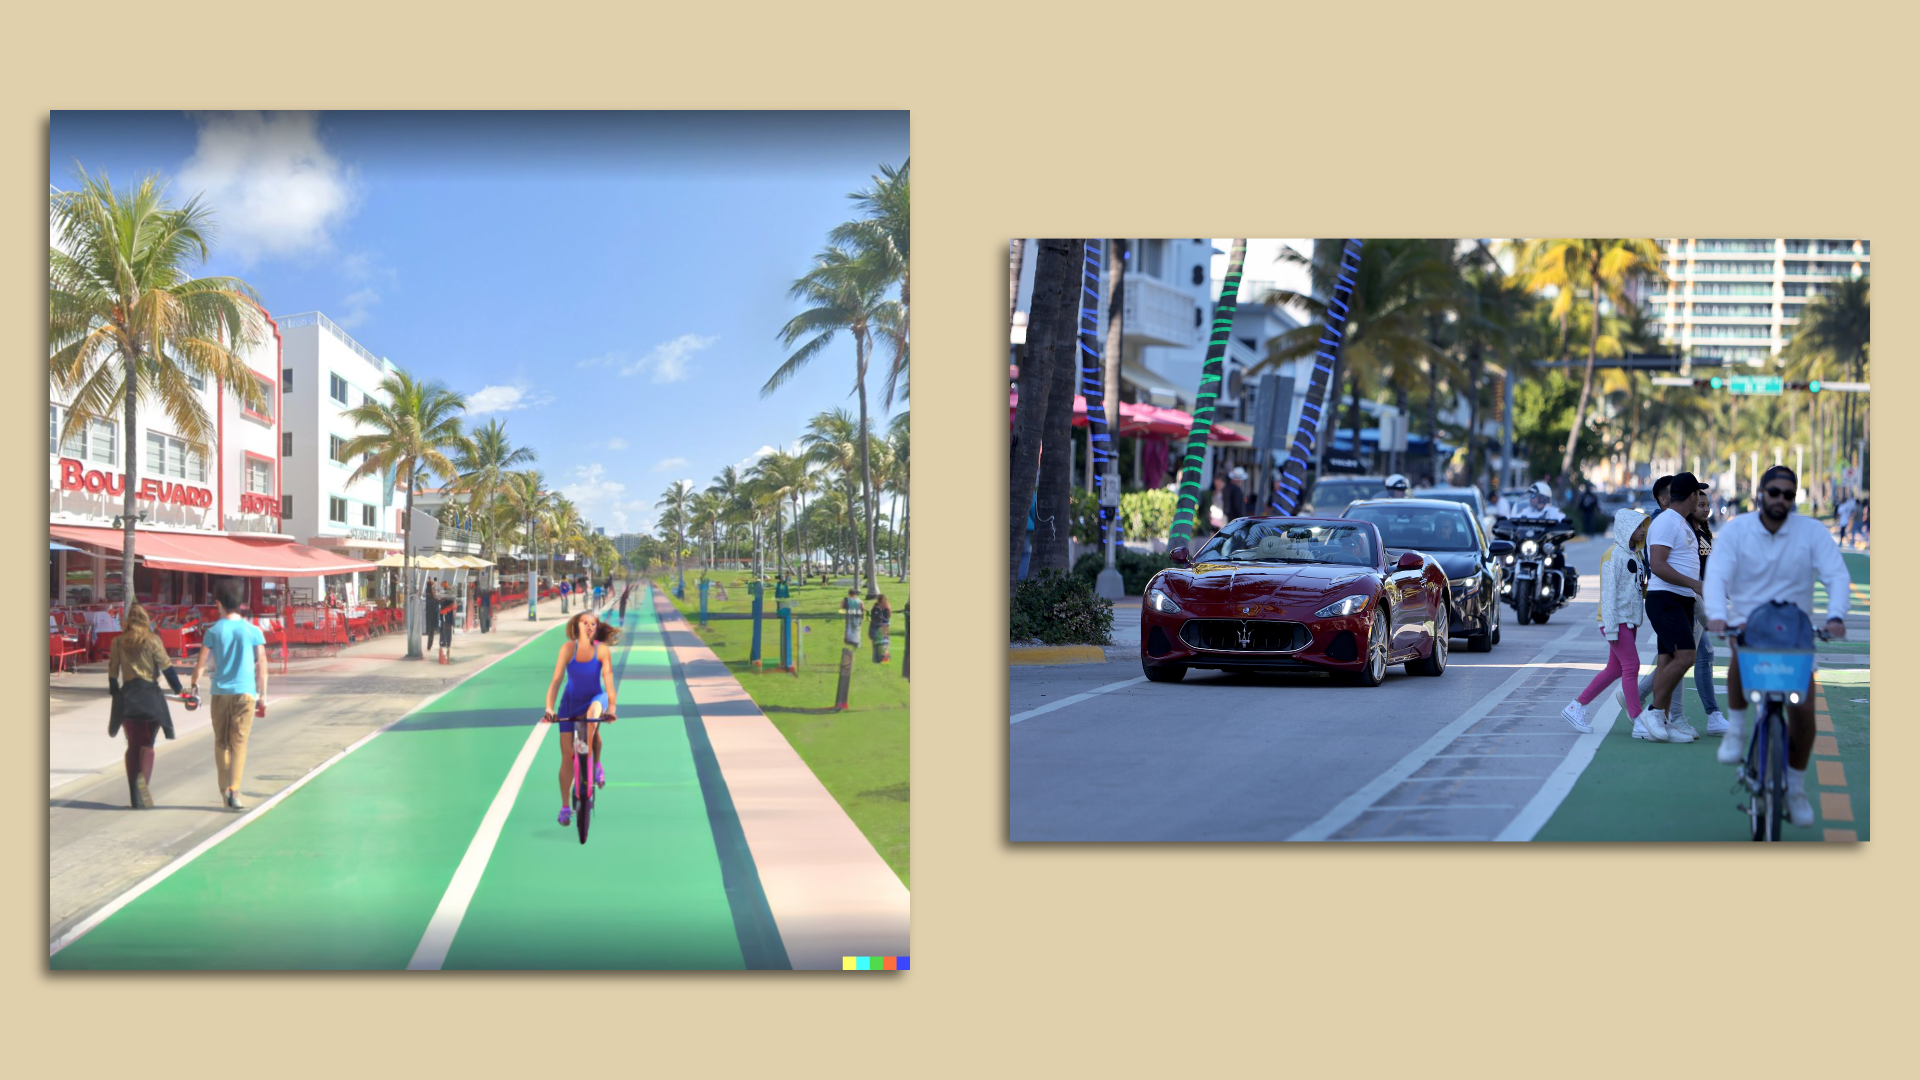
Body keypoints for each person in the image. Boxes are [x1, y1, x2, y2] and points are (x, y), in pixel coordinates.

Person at [1704, 465, 1851, 826]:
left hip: (1795, 634)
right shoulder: (1737, 530)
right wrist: (1716, 615)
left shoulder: (1812, 532)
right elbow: (1717, 574)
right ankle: (1736, 731)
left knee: (1803, 715)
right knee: (1741, 649)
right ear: (1760, 494)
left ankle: (1796, 788)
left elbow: (1836, 575)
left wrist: (1836, 616)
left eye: (1788, 494)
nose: (1781, 500)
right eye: (1775, 492)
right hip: (1747, 625)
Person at [1561, 509, 1652, 733]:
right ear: (1626, 529)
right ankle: (1637, 719)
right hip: (1616, 621)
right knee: (1632, 666)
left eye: (1643, 527)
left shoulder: (1636, 555)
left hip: (1629, 620)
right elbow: (1608, 595)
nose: (1643, 531)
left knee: (1615, 669)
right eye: (1639, 527)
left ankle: (1576, 706)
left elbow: (1637, 588)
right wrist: (1610, 628)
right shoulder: (1612, 555)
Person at [1641, 472, 1711, 744]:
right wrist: (1695, 584)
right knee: (1685, 657)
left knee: (1669, 660)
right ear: (1692, 496)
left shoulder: (1679, 522)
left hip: (1680, 599)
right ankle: (1654, 712)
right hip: (1666, 598)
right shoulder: (1668, 520)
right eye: (1699, 494)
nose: (1701, 499)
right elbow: (1657, 565)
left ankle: (1666, 721)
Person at [189, 580, 269, 810]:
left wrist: (193, 686)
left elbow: (200, 664)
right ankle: (235, 789)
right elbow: (261, 664)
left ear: (218, 604)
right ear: (241, 604)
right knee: (239, 743)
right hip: (246, 693)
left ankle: (224, 790)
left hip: (220, 693)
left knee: (221, 743)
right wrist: (263, 694)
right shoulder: (253, 631)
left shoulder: (213, 631)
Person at [541, 610, 619, 826]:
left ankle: (596, 764)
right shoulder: (568, 649)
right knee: (567, 756)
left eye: (593, 624)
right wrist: (549, 708)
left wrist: (611, 706)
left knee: (591, 721)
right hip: (570, 703)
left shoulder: (602, 651)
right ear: (576, 626)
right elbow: (556, 680)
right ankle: (565, 807)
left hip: (595, 698)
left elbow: (609, 681)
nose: (589, 627)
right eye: (585, 623)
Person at [107, 603, 183, 809]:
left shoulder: (118, 642)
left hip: (129, 697)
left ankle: (134, 789)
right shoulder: (153, 640)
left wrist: (115, 691)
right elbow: (167, 667)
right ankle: (143, 783)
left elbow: (113, 670)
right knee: (147, 744)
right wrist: (179, 691)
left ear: (128, 621)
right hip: (151, 697)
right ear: (145, 620)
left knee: (133, 744)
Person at [437, 581, 456, 664]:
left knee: (444, 636)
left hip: (445, 619)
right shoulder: (448, 600)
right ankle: (446, 655)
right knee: (447, 637)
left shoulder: (444, 600)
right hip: (446, 620)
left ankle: (445, 655)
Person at [870, 593, 892, 663]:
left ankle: (879, 657)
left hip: (878, 625)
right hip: (885, 624)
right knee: (885, 640)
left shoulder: (876, 606)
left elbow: (873, 615)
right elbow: (889, 615)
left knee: (878, 640)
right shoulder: (887, 606)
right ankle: (885, 656)